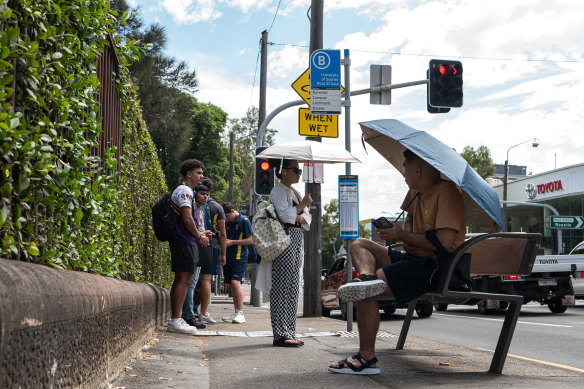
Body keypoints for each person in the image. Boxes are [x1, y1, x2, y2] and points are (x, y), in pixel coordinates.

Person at [328, 149, 466, 374]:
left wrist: (402, 236)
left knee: (363, 292)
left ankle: (366, 359)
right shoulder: (415, 191)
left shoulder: (447, 192)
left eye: (405, 166)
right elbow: (409, 225)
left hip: (431, 266)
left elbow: (444, 243)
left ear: (418, 170)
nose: (403, 172)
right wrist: (396, 233)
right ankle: (368, 277)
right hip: (412, 257)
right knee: (358, 244)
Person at [266, 159, 312, 347]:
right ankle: (280, 333)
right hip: (284, 237)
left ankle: (289, 330)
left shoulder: (296, 192)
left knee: (293, 286)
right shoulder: (278, 191)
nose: (299, 173)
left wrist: (299, 212)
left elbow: (307, 218)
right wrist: (301, 207)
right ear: (283, 171)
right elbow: (285, 216)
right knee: (282, 285)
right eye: (296, 170)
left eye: (300, 170)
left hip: (296, 236)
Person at [168, 159, 210, 335]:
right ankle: (176, 319)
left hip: (185, 240)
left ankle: (176, 319)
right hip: (184, 240)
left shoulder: (186, 191)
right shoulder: (185, 191)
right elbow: (187, 218)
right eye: (199, 172)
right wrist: (199, 235)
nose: (201, 176)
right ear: (189, 174)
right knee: (184, 279)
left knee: (183, 279)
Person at [180, 184, 214, 329]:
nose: (205, 197)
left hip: (199, 246)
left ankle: (189, 313)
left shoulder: (201, 210)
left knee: (192, 283)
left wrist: (205, 233)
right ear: (195, 194)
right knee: (190, 282)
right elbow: (190, 225)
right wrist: (201, 235)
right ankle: (188, 314)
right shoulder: (192, 208)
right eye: (202, 193)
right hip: (193, 246)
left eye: (207, 194)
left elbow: (198, 228)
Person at [197, 178, 227, 325]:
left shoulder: (195, 203)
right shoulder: (217, 207)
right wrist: (223, 253)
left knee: (193, 279)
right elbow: (223, 233)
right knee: (206, 280)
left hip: (195, 241)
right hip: (212, 244)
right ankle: (204, 312)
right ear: (211, 190)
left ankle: (191, 310)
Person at [221, 202, 253, 324]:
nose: (226, 219)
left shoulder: (244, 221)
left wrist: (233, 242)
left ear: (233, 211)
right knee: (230, 285)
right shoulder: (228, 222)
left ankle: (240, 313)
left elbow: (251, 240)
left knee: (235, 283)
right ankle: (236, 311)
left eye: (227, 216)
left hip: (240, 256)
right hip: (229, 256)